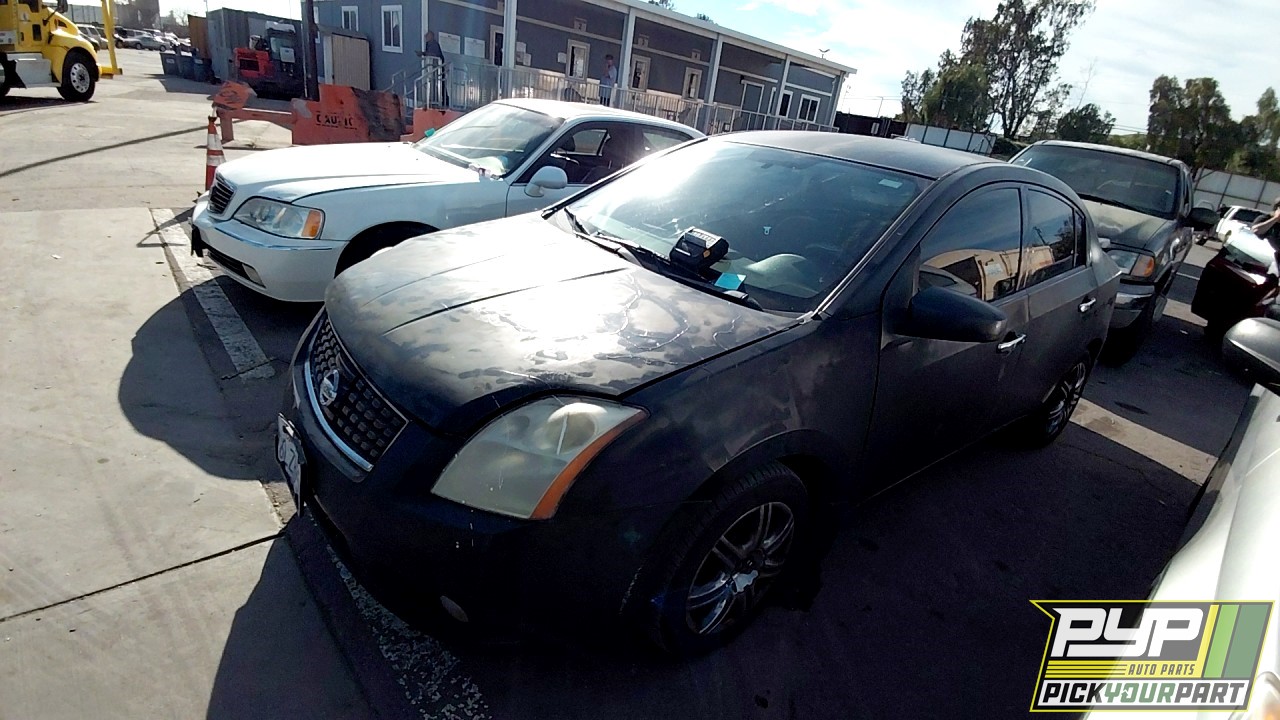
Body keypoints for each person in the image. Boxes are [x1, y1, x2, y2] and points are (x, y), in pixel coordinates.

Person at [415, 31, 448, 108]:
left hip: (439, 67)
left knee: (441, 84)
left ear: (431, 36)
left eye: (427, 36)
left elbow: (434, 54)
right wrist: (423, 54)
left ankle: (444, 101)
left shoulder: (434, 44)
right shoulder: (429, 44)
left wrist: (423, 53)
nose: (426, 38)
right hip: (434, 67)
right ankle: (436, 100)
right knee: (436, 84)